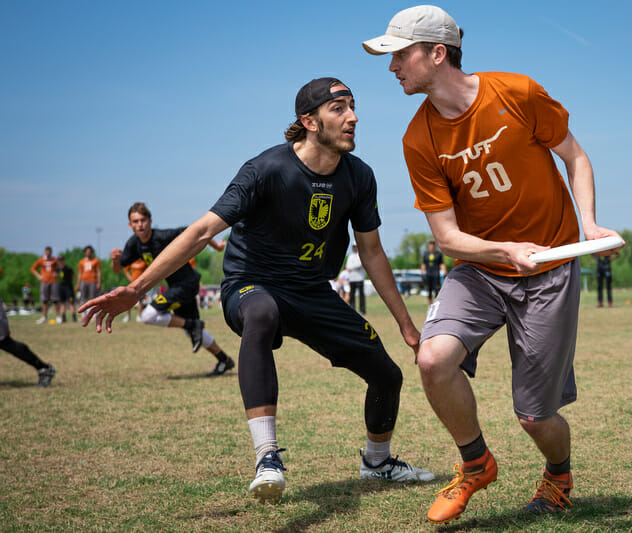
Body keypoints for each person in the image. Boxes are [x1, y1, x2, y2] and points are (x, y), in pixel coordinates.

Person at [79, 78, 433, 505]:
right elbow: (202, 232)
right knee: (262, 313)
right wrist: (136, 291)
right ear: (309, 121)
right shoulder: (265, 169)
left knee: (387, 375)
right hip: (251, 283)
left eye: (353, 106)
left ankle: (377, 463)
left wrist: (407, 327)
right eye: (339, 108)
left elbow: (373, 253)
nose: (353, 117)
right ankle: (268, 457)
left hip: (311, 290)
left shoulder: (359, 177)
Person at [364, 6, 624, 523]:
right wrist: (502, 250)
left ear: (437, 54)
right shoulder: (418, 139)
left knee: (535, 416)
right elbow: (447, 236)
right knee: (434, 360)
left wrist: (589, 225)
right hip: (482, 269)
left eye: (400, 55)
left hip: (549, 268)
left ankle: (558, 477)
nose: (392, 67)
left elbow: (574, 156)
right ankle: (475, 462)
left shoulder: (518, 92)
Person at [110, 202, 235, 376]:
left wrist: (217, 246)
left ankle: (194, 325)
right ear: (130, 225)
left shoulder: (163, 236)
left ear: (150, 221)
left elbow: (197, 231)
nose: (140, 225)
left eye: (143, 220)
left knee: (148, 315)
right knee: (193, 332)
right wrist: (115, 260)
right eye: (135, 221)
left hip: (186, 284)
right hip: (177, 287)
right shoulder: (134, 244)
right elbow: (117, 268)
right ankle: (224, 360)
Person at [30, 246, 59, 324]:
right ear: (44, 252)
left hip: (54, 281)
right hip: (44, 282)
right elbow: (33, 269)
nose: (48, 253)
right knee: (44, 300)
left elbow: (60, 267)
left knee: (55, 300)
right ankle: (44, 317)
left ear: (51, 252)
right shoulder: (41, 260)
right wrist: (39, 276)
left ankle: (58, 317)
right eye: (47, 251)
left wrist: (58, 273)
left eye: (50, 251)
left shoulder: (55, 259)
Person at [421, 240, 447, 305]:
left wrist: (445, 271)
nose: (432, 245)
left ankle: (435, 304)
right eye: (430, 244)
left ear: (435, 245)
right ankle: (429, 306)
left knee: (436, 290)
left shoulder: (438, 254)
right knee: (429, 291)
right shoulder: (426, 254)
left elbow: (441, 264)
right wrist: (421, 272)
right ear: (429, 245)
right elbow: (423, 264)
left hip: (436, 275)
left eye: (433, 244)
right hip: (428, 275)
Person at [56, 256, 78, 322]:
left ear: (64, 261)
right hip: (61, 287)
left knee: (71, 302)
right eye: (59, 260)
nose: (60, 262)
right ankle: (63, 318)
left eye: (62, 260)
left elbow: (73, 275)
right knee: (62, 303)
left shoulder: (68, 268)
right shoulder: (57, 269)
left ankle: (74, 318)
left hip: (68, 287)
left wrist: (69, 281)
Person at [346, 243, 366, 313]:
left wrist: (352, 267)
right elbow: (348, 266)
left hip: (359, 278)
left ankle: (362, 310)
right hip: (352, 279)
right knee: (352, 295)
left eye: (356, 247)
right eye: (353, 247)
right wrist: (353, 267)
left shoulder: (361, 255)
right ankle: (352, 309)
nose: (354, 248)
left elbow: (359, 265)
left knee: (361, 295)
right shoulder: (350, 256)